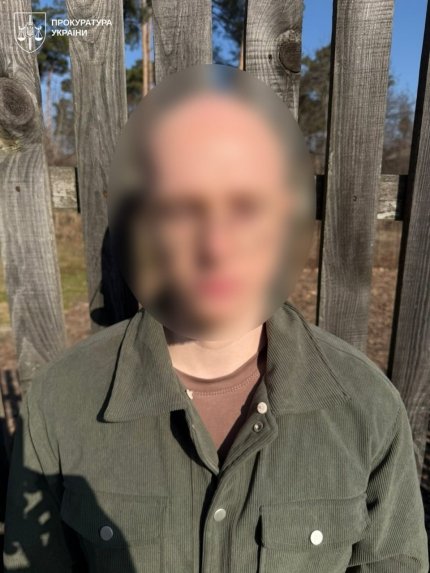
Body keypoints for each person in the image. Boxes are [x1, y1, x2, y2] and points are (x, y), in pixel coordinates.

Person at [3, 64, 428, 573]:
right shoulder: (62, 404)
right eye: (182, 209)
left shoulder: (367, 409)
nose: (215, 247)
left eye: (246, 208)